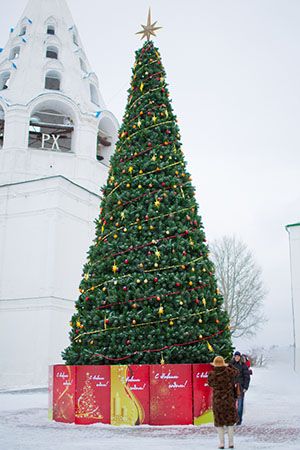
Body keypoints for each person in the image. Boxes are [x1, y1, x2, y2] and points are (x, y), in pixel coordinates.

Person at [208, 356, 239, 449]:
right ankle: (231, 443)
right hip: (229, 400)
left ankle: (221, 443)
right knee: (230, 423)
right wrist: (229, 365)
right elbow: (237, 372)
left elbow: (210, 383)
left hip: (218, 401)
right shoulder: (229, 372)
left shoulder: (211, 374)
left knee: (219, 422)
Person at [230, 351, 250, 425]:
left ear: (240, 357)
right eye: (236, 356)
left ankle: (239, 420)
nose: (237, 358)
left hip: (240, 387)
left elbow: (247, 377)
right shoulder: (231, 365)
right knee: (232, 404)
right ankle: (233, 419)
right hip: (232, 387)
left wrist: (245, 387)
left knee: (240, 405)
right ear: (234, 357)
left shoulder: (243, 365)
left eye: (238, 356)